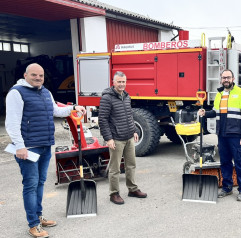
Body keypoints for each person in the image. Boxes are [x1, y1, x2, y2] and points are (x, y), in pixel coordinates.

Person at [5, 63, 86, 238]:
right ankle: (33, 224)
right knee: (31, 184)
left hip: (44, 145)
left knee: (40, 183)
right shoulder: (16, 93)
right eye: (34, 75)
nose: (38, 78)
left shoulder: (45, 92)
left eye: (41, 76)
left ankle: (38, 216)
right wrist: (19, 146)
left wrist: (73, 108)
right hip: (28, 148)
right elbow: (11, 123)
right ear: (25, 75)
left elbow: (55, 111)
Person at [199, 69, 241, 201]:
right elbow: (216, 112)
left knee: (239, 162)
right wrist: (205, 113)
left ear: (233, 79)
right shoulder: (219, 94)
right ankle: (227, 187)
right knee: (225, 162)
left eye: (228, 77)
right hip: (222, 134)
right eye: (223, 78)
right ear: (221, 80)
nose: (225, 80)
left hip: (236, 135)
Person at [98, 71, 147, 205]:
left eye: (123, 82)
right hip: (116, 138)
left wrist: (134, 130)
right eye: (119, 82)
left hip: (129, 137)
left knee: (131, 165)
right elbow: (102, 119)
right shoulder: (107, 98)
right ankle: (114, 193)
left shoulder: (126, 96)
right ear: (113, 82)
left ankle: (132, 189)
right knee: (115, 169)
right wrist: (109, 139)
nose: (121, 84)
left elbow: (129, 115)